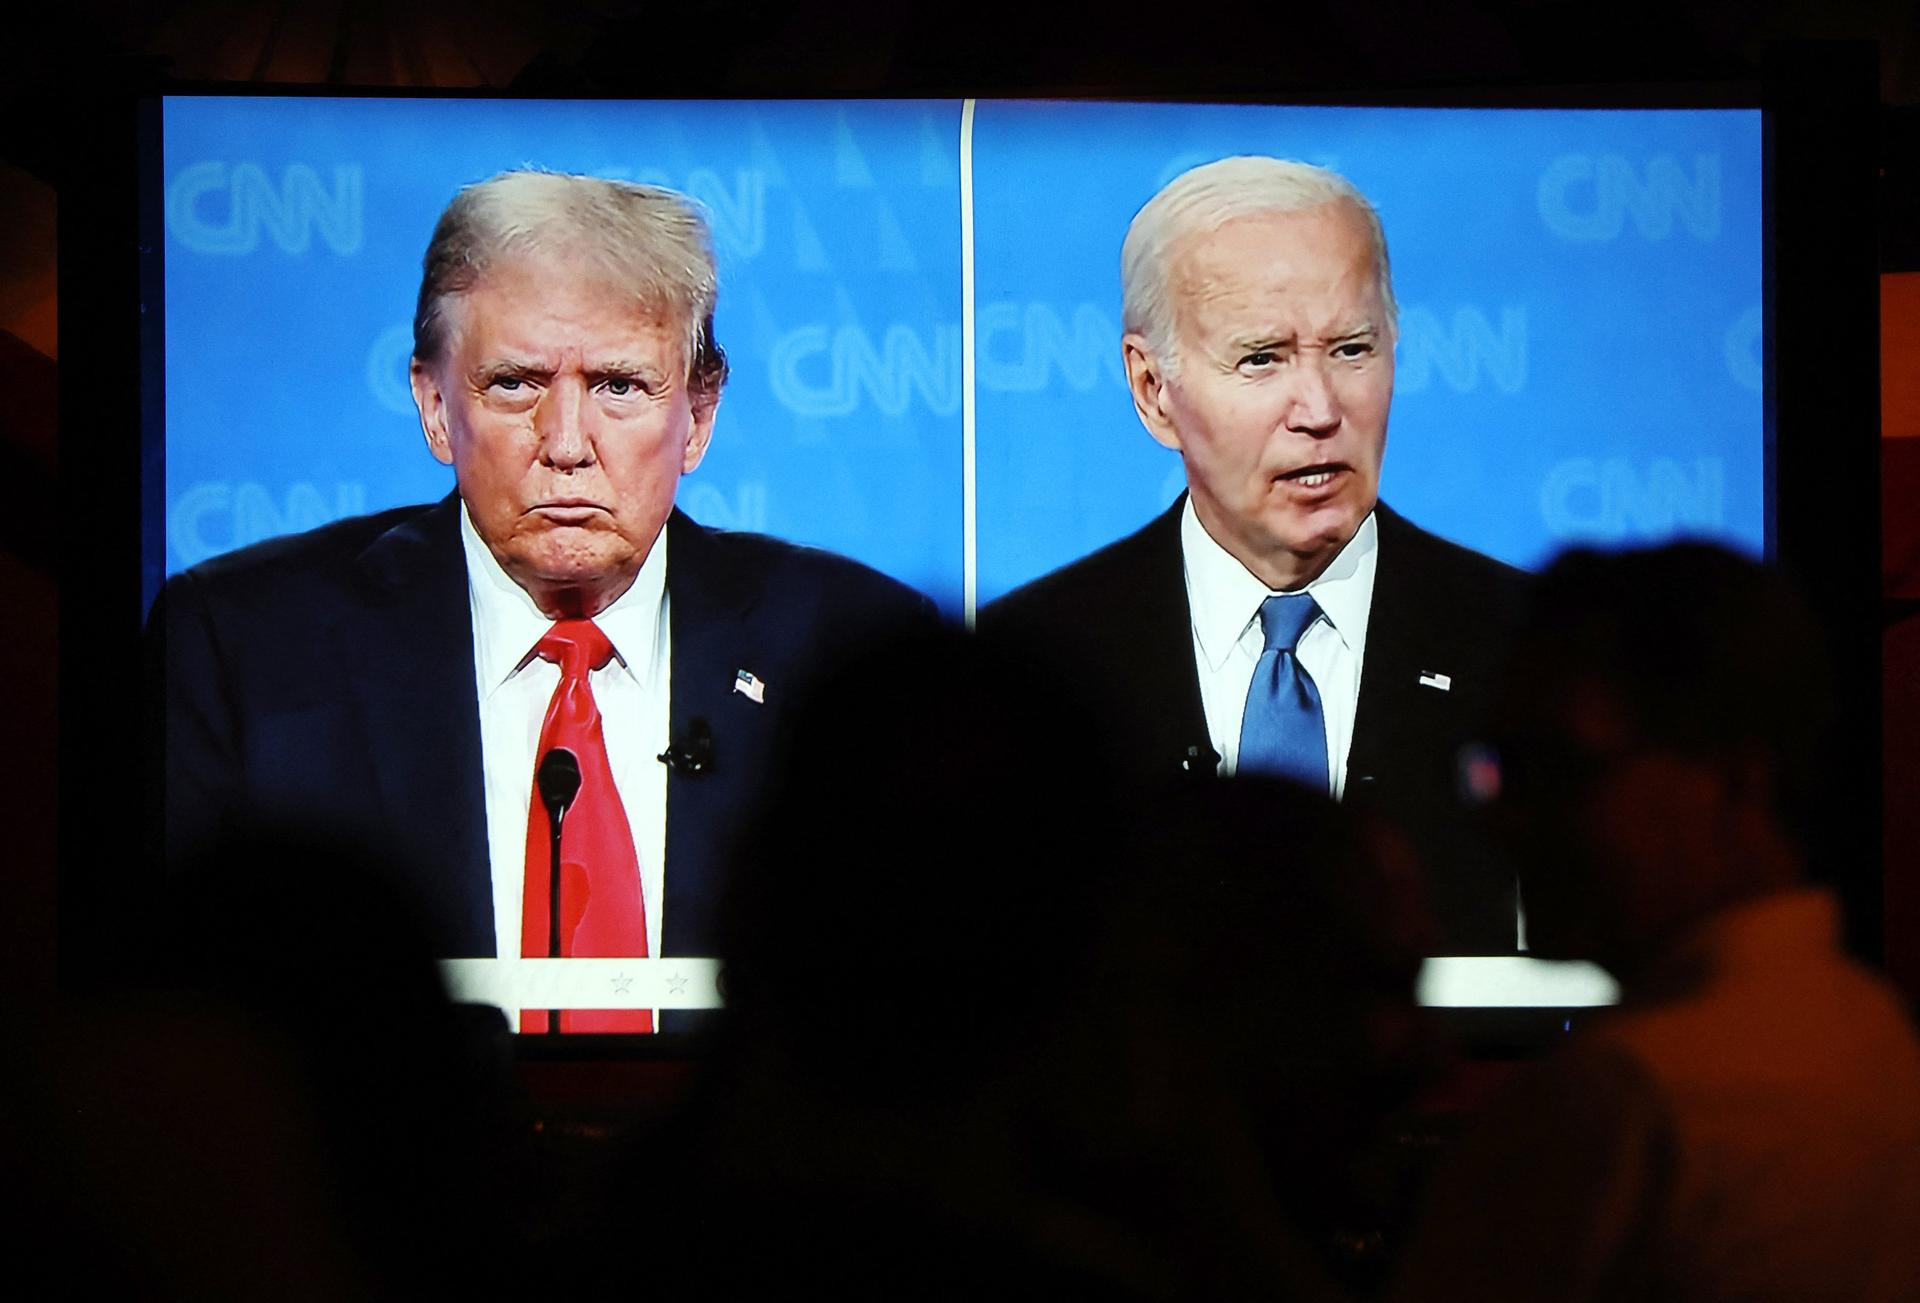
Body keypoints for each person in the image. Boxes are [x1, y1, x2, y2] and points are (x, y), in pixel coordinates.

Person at [149, 170, 932, 1030]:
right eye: (516, 383)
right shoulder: (245, 652)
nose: (566, 445)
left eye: (619, 386)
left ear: (700, 415)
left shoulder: (858, 651)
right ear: (436, 406)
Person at [982, 156, 1525, 952]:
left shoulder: (1528, 643)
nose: (1320, 408)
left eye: (1351, 349)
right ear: (1152, 389)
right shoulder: (1032, 664)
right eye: (1262, 357)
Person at [1390, 544, 1920, 1302]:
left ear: (1735, 780)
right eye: (1499, 766)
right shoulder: (1881, 1030)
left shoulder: (1616, 1106)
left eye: (1560, 767)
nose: (1503, 820)